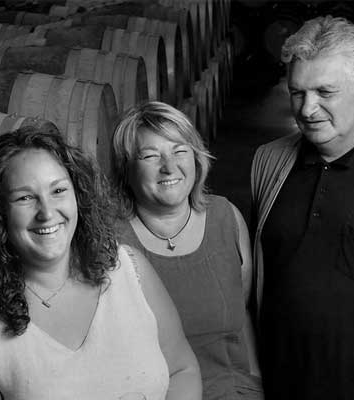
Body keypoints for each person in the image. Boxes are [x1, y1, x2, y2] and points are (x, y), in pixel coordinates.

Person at [0, 126, 200, 400]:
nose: (46, 213)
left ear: (78, 195)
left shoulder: (130, 269)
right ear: (0, 213)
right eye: (25, 198)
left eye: (58, 190)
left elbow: (182, 370)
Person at [111, 101, 263, 399]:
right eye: (151, 156)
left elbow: (241, 313)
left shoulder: (227, 217)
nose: (169, 167)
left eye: (179, 151)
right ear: (126, 170)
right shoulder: (111, 240)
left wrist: (254, 383)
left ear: (196, 159)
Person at [250, 15, 354, 398]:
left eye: (325, 92)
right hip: (280, 382)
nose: (308, 110)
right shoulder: (269, 162)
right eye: (298, 92)